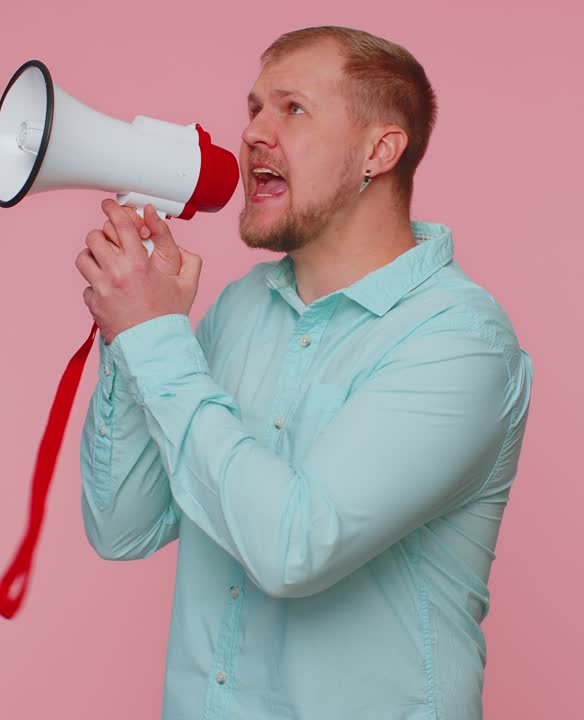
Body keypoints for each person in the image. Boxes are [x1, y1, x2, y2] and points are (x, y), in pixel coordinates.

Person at [74, 25, 533, 720]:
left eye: (291, 108)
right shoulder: (240, 309)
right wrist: (130, 333)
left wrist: (157, 336)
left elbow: (295, 548)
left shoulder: (458, 342)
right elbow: (123, 525)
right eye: (253, 108)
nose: (253, 132)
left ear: (379, 150)